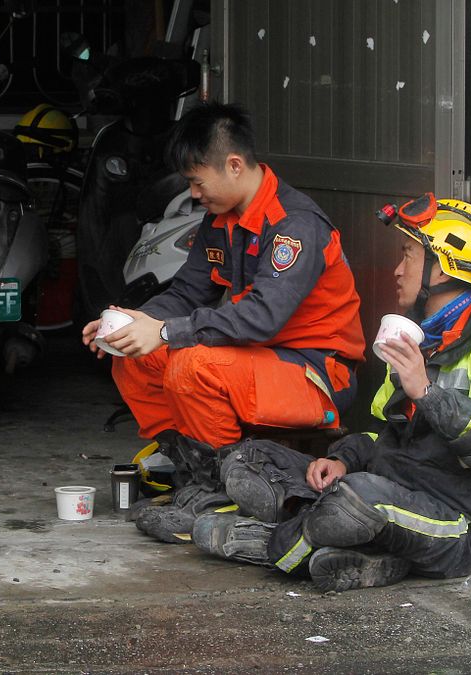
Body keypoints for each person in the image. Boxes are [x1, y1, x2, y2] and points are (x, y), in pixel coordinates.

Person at [191, 193, 471, 592]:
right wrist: (340, 460)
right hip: (393, 487)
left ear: (441, 270)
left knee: (356, 498)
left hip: (459, 522)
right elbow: (383, 438)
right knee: (250, 458)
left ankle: (270, 542)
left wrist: (427, 393)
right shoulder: (420, 335)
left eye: (408, 256)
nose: (397, 270)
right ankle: (363, 551)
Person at [80, 102, 365, 543]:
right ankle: (199, 478)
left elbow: (262, 318)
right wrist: (128, 324)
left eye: (197, 181)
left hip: (317, 372)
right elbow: (187, 293)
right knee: (135, 360)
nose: (194, 194)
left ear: (233, 165)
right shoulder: (222, 220)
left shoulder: (295, 227)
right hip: (260, 360)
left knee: (190, 363)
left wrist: (165, 332)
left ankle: (224, 496)